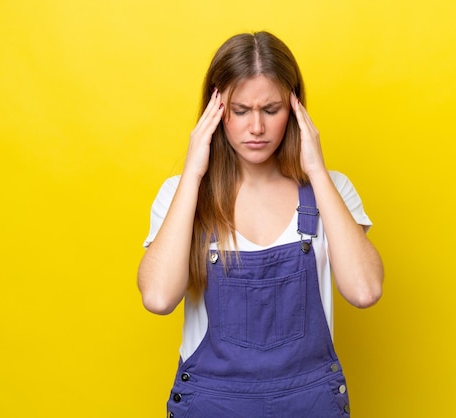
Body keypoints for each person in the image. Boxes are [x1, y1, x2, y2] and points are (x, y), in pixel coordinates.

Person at [138, 31, 384, 418]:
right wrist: (193, 172)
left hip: (310, 404)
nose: (256, 128)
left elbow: (365, 290)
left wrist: (316, 170)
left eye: (271, 110)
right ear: (216, 110)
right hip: (211, 405)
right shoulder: (181, 195)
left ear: (295, 106)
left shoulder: (331, 190)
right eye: (240, 111)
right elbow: (157, 298)